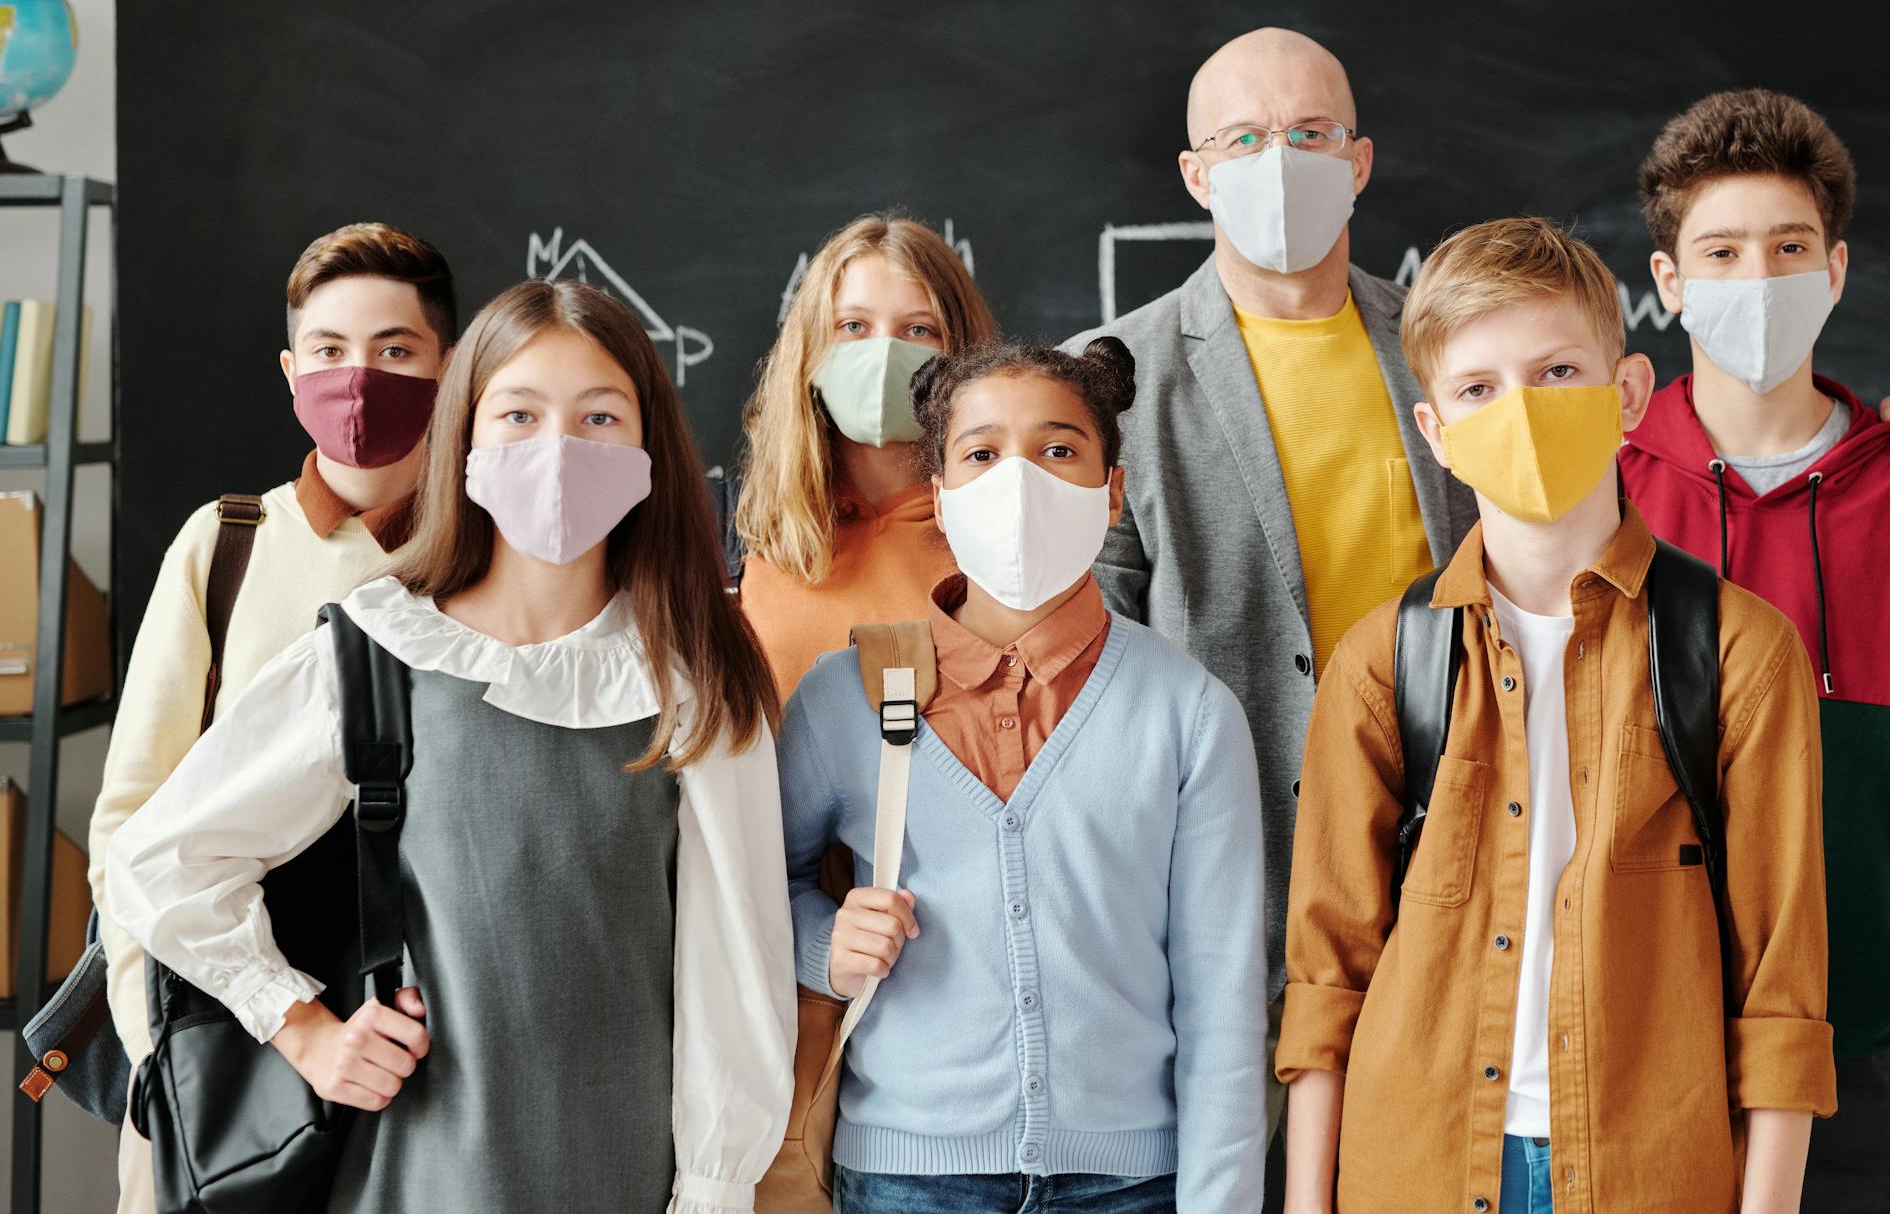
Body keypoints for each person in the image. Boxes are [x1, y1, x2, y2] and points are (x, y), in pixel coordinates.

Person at [1069, 29, 1890, 1181]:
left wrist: (1885, 445)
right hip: (1247, 958)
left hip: (1629, 1046)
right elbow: (1084, 671)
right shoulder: (1111, 384)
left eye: (1308, 134)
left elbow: (1622, 448)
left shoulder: (1447, 342)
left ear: (1357, 158)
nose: (1279, 162)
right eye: (1244, 139)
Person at [106, 280, 796, 1212]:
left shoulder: (694, 668)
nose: (559, 448)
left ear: (647, 448)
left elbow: (734, 960)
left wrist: (717, 1185)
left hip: (630, 1166)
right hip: (420, 1164)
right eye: (518, 413)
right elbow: (164, 860)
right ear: (464, 440)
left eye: (600, 414)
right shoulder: (378, 647)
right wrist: (303, 1027)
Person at [1280, 218, 1834, 1214]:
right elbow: (1326, 978)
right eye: (1477, 391)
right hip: (1415, 1165)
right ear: (1435, 433)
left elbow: (1779, 985)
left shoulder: (1739, 652)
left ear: (1624, 394)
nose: (1520, 412)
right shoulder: (1380, 661)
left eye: (1556, 372)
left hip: (1647, 1172)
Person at [1621, 89, 1890, 1213]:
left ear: (1833, 271)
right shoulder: (1606, 487)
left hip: (1873, 1048)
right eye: (1721, 250)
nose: (1756, 279)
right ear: (1667, 283)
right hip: (1657, 1035)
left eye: (1787, 248)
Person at [779, 338, 1267, 1213]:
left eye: (1058, 449)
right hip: (907, 1178)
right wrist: (825, 941)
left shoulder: (1189, 713)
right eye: (981, 453)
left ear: (1112, 492)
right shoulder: (843, 697)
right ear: (940, 496)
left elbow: (1221, 997)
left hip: (1136, 1183)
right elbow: (745, 896)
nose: (1020, 480)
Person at [85, 221, 456, 1214]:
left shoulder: (499, 560)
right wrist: (156, 1049)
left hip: (433, 1057)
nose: (360, 378)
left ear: (449, 365)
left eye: (394, 351)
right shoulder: (227, 545)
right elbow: (132, 820)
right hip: (226, 1055)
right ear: (293, 369)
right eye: (330, 352)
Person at [735, 213, 997, 700]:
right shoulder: (749, 535)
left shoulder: (1000, 532)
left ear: (962, 354)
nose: (883, 354)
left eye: (918, 330)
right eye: (853, 325)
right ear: (810, 350)